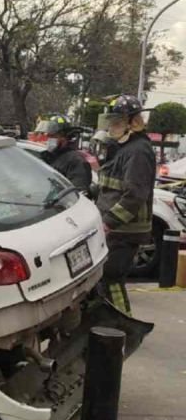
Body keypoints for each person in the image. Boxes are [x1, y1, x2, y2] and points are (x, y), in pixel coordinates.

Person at [95, 94, 156, 315]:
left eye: (118, 122)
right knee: (103, 278)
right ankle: (106, 321)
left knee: (112, 276)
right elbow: (110, 187)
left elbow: (135, 194)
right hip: (115, 227)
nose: (113, 126)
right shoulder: (123, 148)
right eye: (112, 121)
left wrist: (108, 222)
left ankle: (122, 324)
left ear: (133, 122)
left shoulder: (138, 151)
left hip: (125, 229)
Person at [38, 114, 93, 195]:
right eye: (48, 135)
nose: (49, 139)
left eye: (53, 136)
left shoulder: (77, 162)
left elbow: (77, 194)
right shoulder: (48, 156)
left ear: (64, 137)